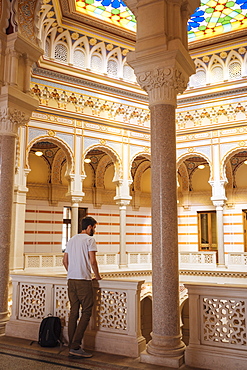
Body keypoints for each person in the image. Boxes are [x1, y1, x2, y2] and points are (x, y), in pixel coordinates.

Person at [63, 216, 102, 358]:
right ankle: (75, 345)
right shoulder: (89, 240)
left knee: (74, 312)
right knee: (86, 312)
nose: (94, 230)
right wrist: (97, 276)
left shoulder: (71, 239)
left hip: (71, 280)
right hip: (83, 281)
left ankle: (71, 344)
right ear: (89, 227)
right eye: (94, 227)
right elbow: (93, 261)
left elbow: (64, 261)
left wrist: (72, 272)